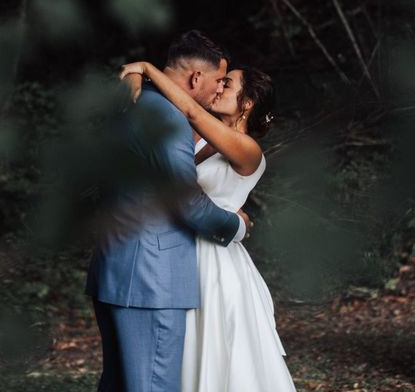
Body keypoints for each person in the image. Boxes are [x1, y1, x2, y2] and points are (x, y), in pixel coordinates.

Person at [85, 30, 251, 391]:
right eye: (218, 81)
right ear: (196, 78)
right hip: (151, 279)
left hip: (114, 267)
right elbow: (188, 202)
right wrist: (236, 227)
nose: (218, 91)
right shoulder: (169, 119)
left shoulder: (131, 102)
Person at [120, 52, 296, 391]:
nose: (219, 88)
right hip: (179, 251)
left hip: (215, 263)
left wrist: (147, 68)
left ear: (247, 104)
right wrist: (135, 80)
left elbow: (190, 109)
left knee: (217, 353)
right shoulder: (200, 141)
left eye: (228, 84)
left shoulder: (248, 149)